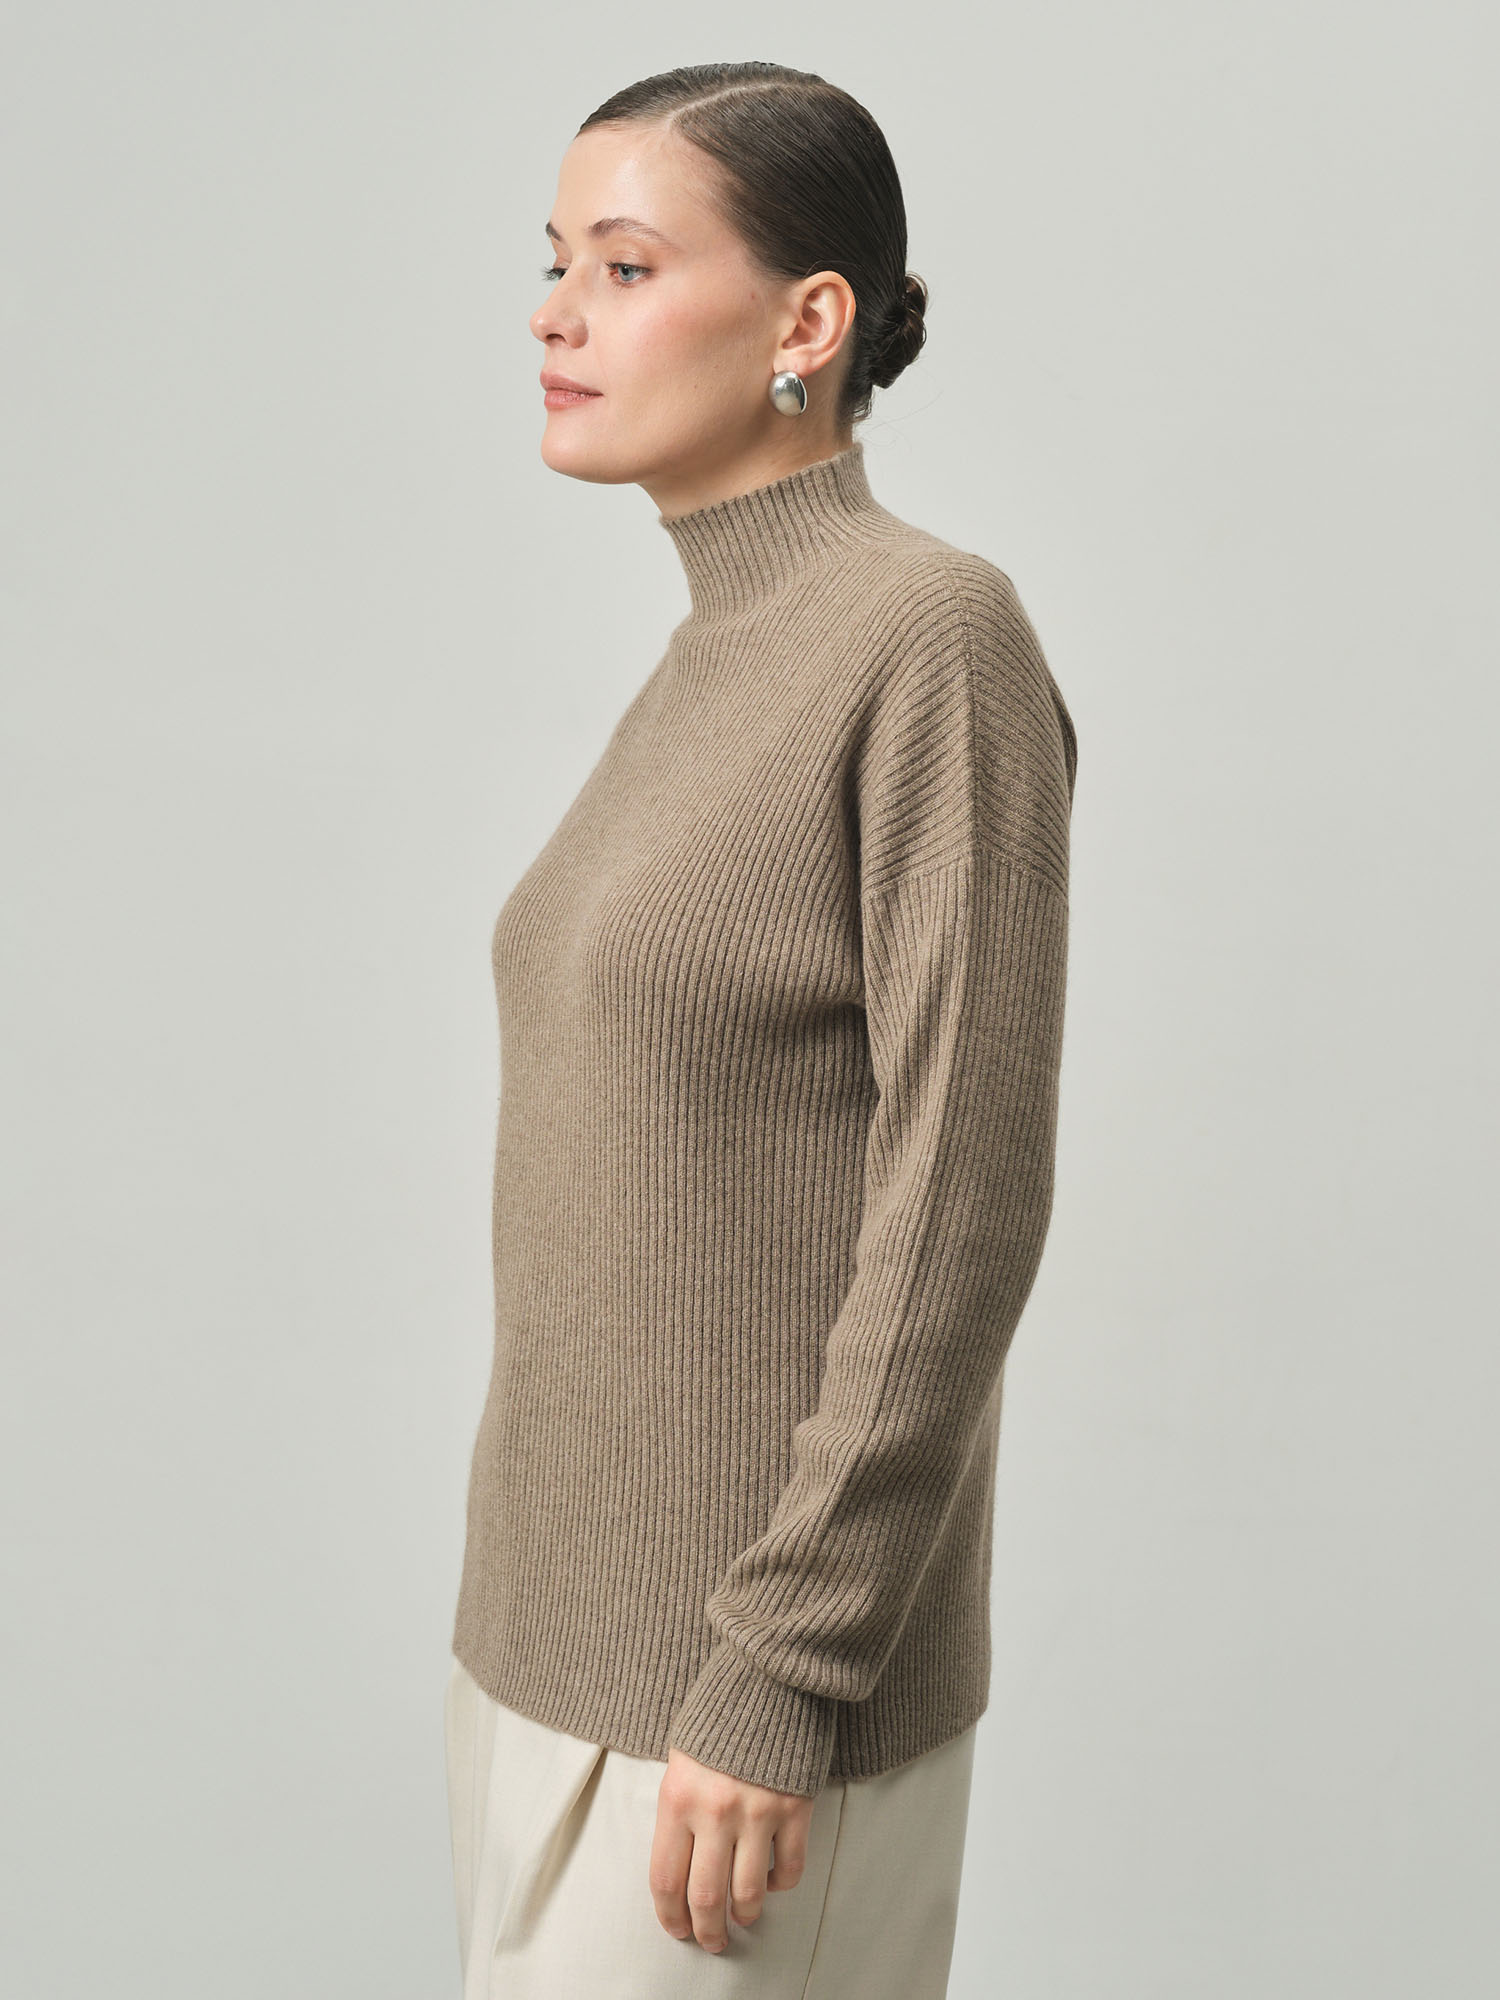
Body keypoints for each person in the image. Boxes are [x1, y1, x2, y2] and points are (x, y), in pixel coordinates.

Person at [445, 59, 1078, 1999]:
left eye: (626, 267)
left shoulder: (928, 638)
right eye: (556, 262)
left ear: (808, 324)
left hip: (731, 1714)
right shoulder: (710, 655)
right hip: (542, 1664)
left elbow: (961, 1195)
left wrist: (783, 1666)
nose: (556, 315)